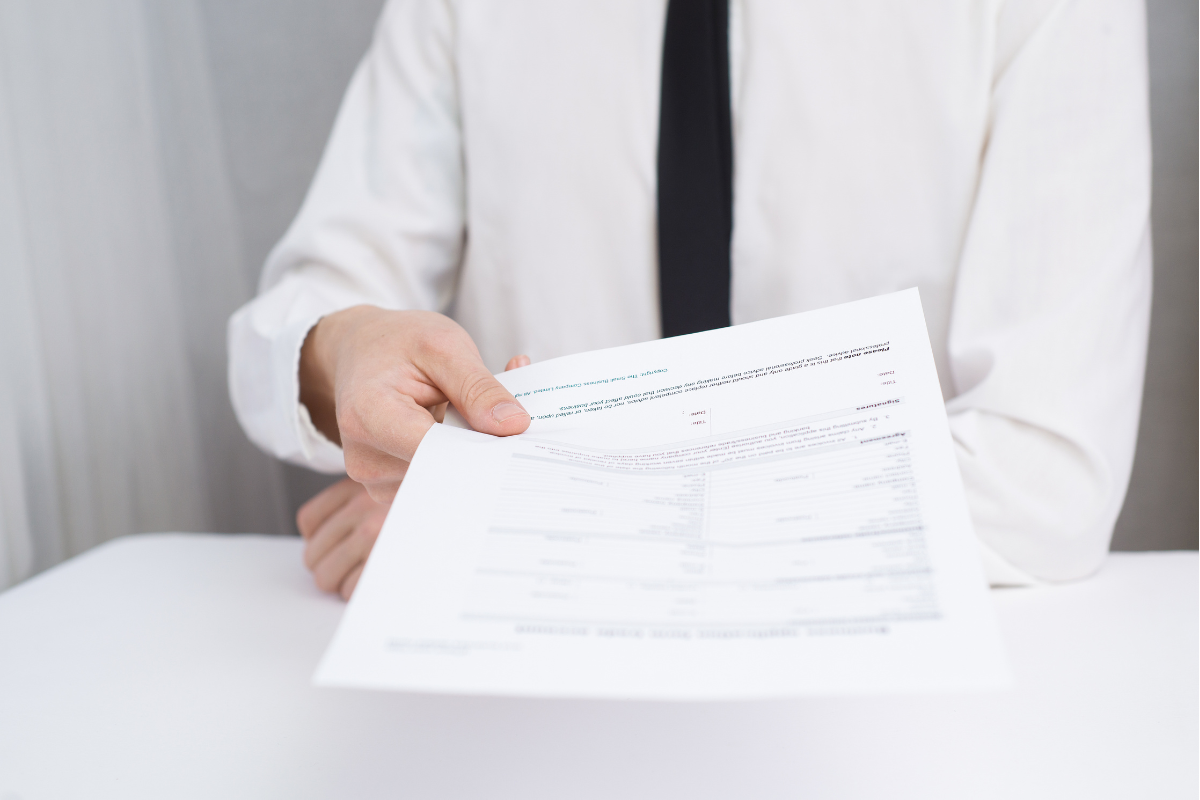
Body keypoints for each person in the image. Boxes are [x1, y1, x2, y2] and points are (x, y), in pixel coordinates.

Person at [228, 0, 1151, 600]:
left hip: (882, 714)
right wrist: (339, 351)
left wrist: (528, 526)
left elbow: (1045, 478)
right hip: (522, 717)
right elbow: (307, 313)